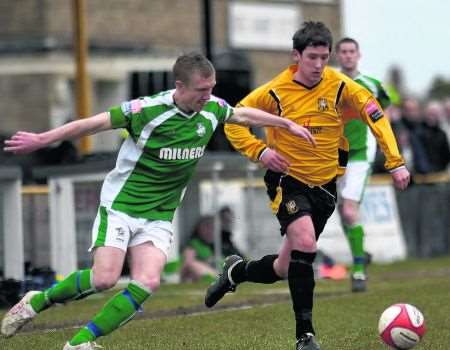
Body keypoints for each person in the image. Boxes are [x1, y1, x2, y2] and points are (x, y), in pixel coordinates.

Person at [1, 52, 316, 350]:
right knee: (105, 278)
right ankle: (36, 301)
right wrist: (42, 139)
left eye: (211, 89)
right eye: (201, 90)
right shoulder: (145, 111)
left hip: (159, 215)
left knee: (147, 281)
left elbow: (240, 114)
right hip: (122, 206)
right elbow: (91, 124)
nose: (207, 96)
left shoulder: (212, 108)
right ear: (179, 86)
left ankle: (80, 341)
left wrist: (285, 123)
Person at [205, 22, 410, 350]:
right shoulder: (274, 91)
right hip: (287, 180)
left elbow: (376, 116)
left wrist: (395, 161)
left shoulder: (342, 86)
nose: (318, 65)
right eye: (312, 57)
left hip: (326, 186)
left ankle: (235, 273)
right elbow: (234, 120)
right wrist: (262, 151)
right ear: (296, 56)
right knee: (305, 243)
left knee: (285, 267)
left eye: (324, 58)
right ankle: (306, 335)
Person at [334, 37, 393, 292]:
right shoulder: (329, 82)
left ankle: (358, 270)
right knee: (338, 209)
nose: (347, 56)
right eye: (343, 52)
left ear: (358, 55)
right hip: (333, 153)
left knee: (348, 211)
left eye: (351, 51)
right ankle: (361, 254)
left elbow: (385, 106)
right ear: (337, 56)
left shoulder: (371, 84)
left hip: (360, 152)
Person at [180, 215, 218, 282]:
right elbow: (188, 264)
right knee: (194, 265)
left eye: (212, 228)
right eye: (207, 227)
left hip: (214, 274)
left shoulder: (215, 246)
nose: (210, 231)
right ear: (198, 229)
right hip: (199, 275)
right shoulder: (193, 244)